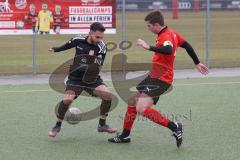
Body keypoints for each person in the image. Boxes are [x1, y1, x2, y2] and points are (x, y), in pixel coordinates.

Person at [108, 10, 209, 147]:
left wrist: (147, 46)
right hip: (154, 76)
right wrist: (197, 62)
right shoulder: (172, 33)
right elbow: (187, 45)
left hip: (161, 79)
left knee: (141, 108)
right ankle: (125, 136)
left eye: (149, 26)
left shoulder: (165, 36)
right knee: (132, 101)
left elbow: (168, 49)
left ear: (156, 25)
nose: (148, 29)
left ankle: (175, 126)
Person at [48, 22, 117, 137]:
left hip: (91, 78)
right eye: (97, 37)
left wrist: (88, 61)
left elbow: (97, 66)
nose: (100, 39)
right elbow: (67, 45)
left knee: (107, 95)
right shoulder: (78, 40)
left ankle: (102, 125)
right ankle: (57, 125)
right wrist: (56, 49)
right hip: (75, 79)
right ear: (90, 33)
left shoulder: (102, 47)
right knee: (67, 100)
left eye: (102, 37)